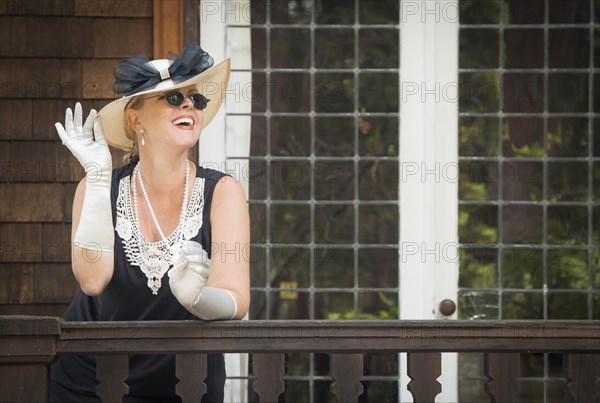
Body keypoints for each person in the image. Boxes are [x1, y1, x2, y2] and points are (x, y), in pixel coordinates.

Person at [50, 44, 250, 402]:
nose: (189, 105)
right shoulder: (96, 187)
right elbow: (93, 282)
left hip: (188, 383)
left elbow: (237, 299)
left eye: (196, 99)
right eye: (174, 97)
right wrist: (97, 179)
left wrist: (200, 299)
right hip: (92, 381)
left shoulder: (224, 191)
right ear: (135, 118)